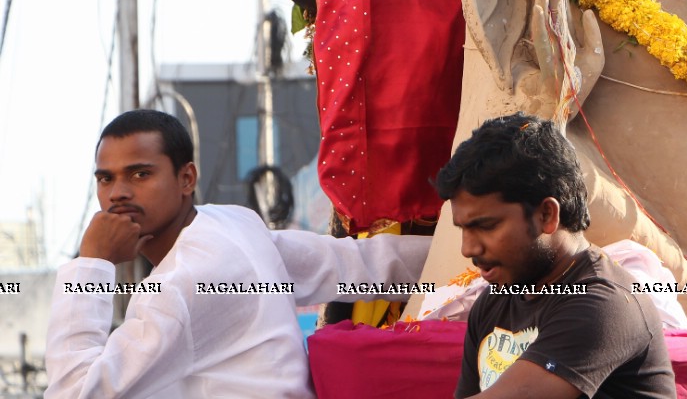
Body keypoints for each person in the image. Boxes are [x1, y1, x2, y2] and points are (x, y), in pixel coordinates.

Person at [46, 109, 431, 399]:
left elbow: (73, 391)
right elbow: (354, 265)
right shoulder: (229, 224)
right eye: (105, 178)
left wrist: (91, 264)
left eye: (140, 174)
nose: (117, 193)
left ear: (186, 179)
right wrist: (470, 263)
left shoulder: (182, 283)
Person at [435, 114, 676, 398]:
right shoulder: (493, 303)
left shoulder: (604, 303)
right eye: (463, 229)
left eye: (486, 226)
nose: (468, 249)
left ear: (547, 215)